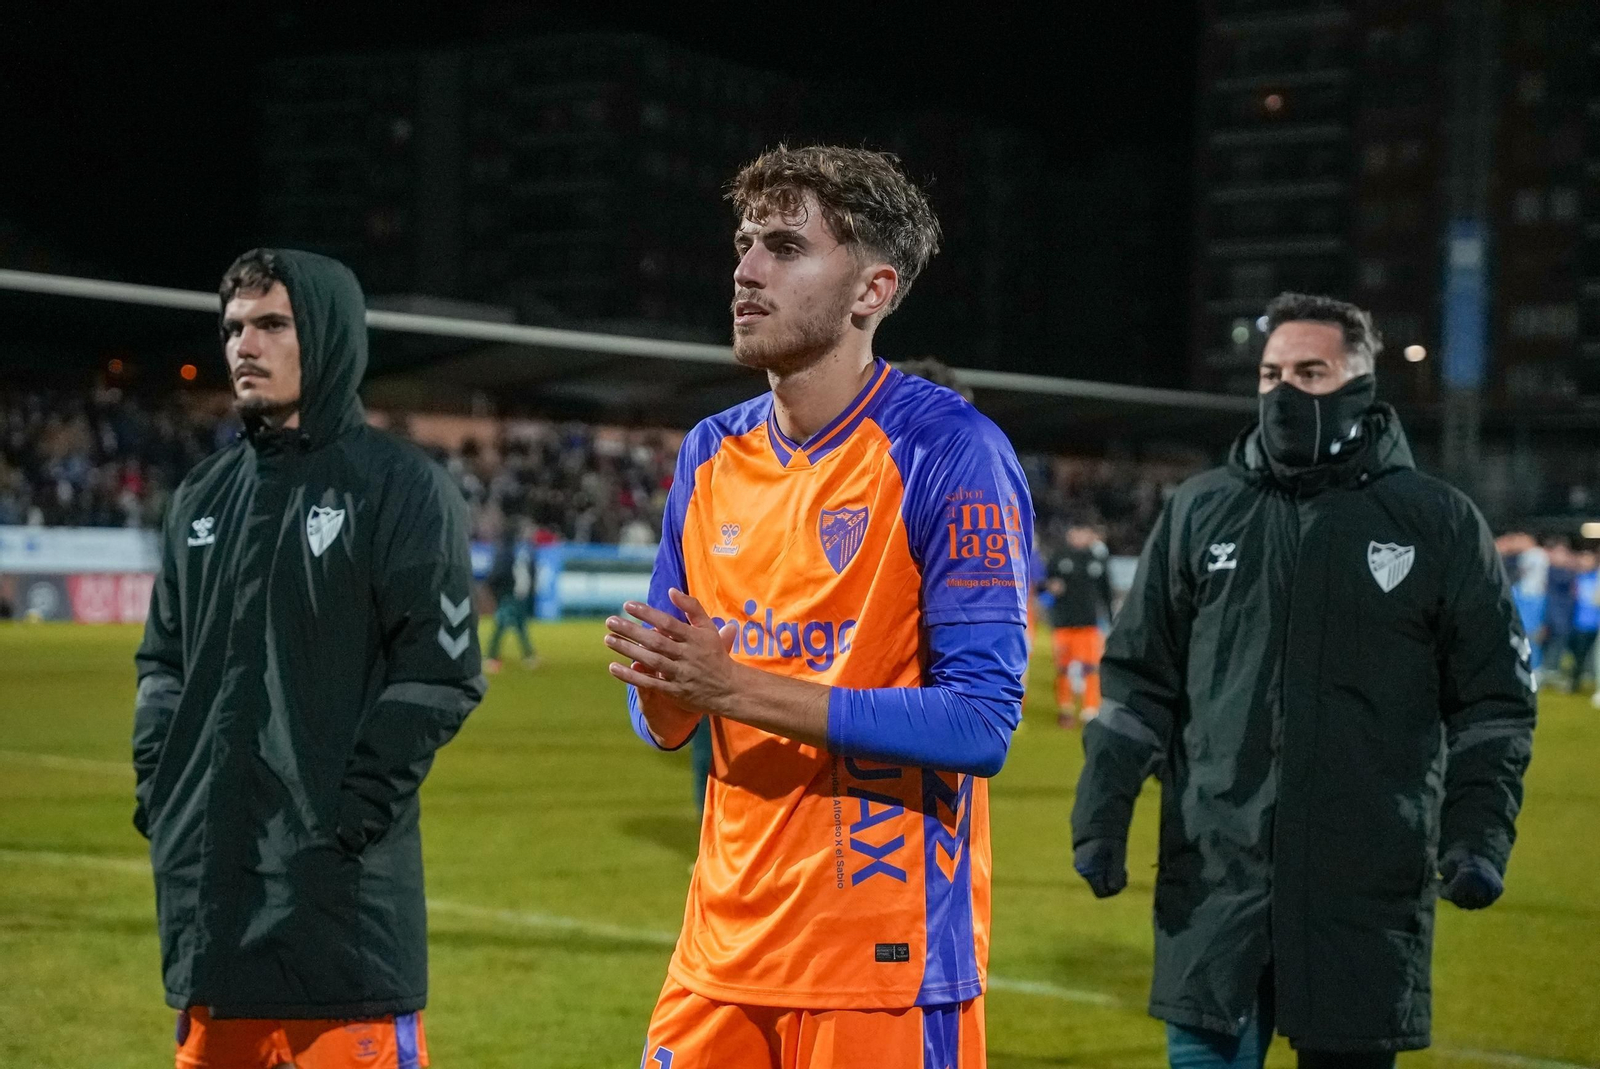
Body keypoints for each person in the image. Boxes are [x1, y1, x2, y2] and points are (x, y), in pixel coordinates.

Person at [604, 145, 1031, 1069]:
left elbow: (981, 721)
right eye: (746, 243)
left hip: (880, 963)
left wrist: (733, 684)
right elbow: (665, 722)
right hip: (718, 951)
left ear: (872, 291)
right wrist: (667, 683)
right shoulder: (709, 453)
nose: (747, 269)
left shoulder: (950, 450)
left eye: (787, 246)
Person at [1071, 292, 1536, 1068]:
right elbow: (1137, 685)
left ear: (1360, 383)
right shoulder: (1199, 510)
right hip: (1214, 882)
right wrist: (1102, 814)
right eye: (1270, 373)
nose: (1285, 391)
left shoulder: (1439, 522)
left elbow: (1492, 704)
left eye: (1311, 372)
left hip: (1361, 887)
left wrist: (1478, 835)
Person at [133, 249, 485, 1069]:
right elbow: (161, 663)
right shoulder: (200, 497)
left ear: (325, 334)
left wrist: (347, 817)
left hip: (341, 922)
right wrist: (164, 791)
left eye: (270, 324)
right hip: (212, 923)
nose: (242, 346)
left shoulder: (400, 487)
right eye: (231, 328)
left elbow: (438, 673)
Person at [1045, 523, 1115, 728]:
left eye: (1083, 532)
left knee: (1091, 668)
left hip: (1089, 623)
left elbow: (1106, 591)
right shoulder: (1059, 557)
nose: (1079, 536)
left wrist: (1109, 619)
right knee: (1064, 668)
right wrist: (1050, 588)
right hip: (1063, 622)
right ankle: (1065, 709)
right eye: (1076, 532)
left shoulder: (1098, 559)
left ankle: (1090, 710)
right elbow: (1046, 586)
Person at [486, 519, 539, 672]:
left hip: (514, 594)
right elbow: (499, 574)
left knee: (517, 625)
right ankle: (492, 657)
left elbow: (496, 575)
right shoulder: (512, 551)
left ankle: (528, 656)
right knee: (503, 625)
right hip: (511, 594)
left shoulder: (509, 550)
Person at [1566, 549, 1599, 691]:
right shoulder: (1577, 577)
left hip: (1594, 624)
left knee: (1590, 656)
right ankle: (1575, 681)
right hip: (1578, 622)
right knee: (1577, 655)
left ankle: (1581, 680)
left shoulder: (1595, 578)